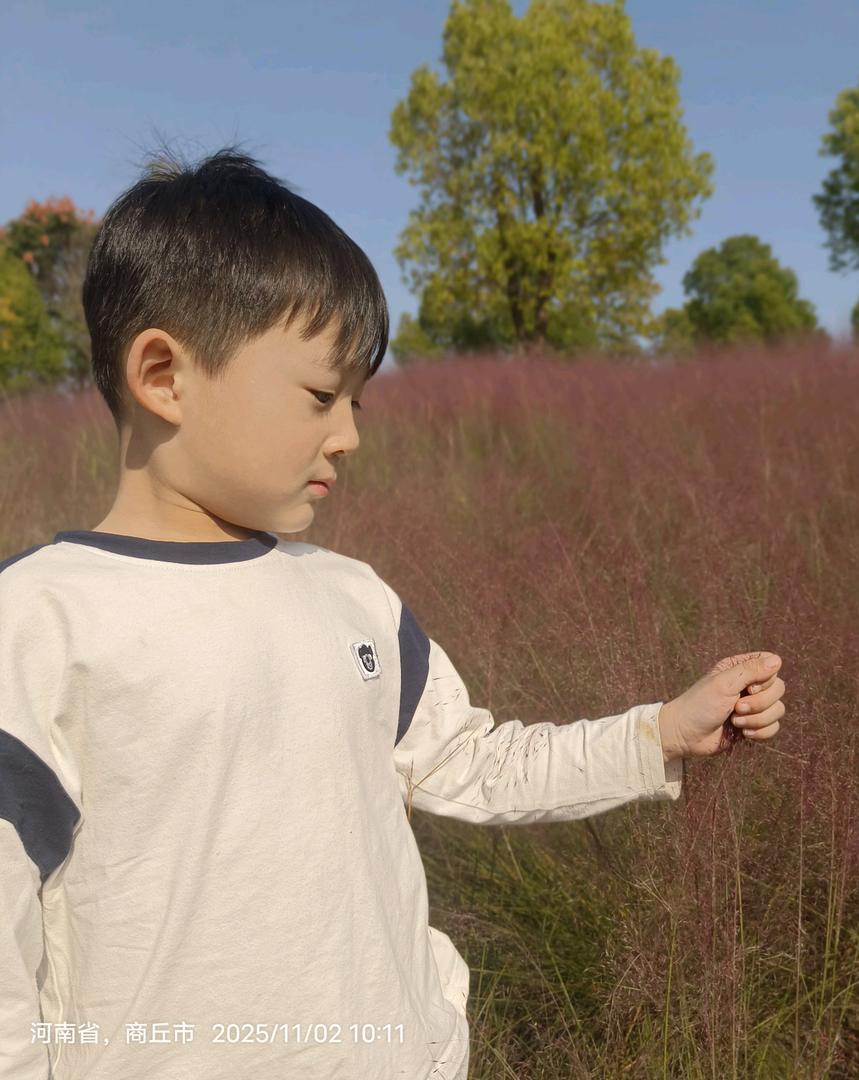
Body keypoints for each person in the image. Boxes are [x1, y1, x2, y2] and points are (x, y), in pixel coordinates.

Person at [0, 145, 786, 1080]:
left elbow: (470, 762)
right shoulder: (42, 624)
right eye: (321, 395)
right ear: (164, 375)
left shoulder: (352, 598)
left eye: (358, 399)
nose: (351, 433)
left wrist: (658, 733)